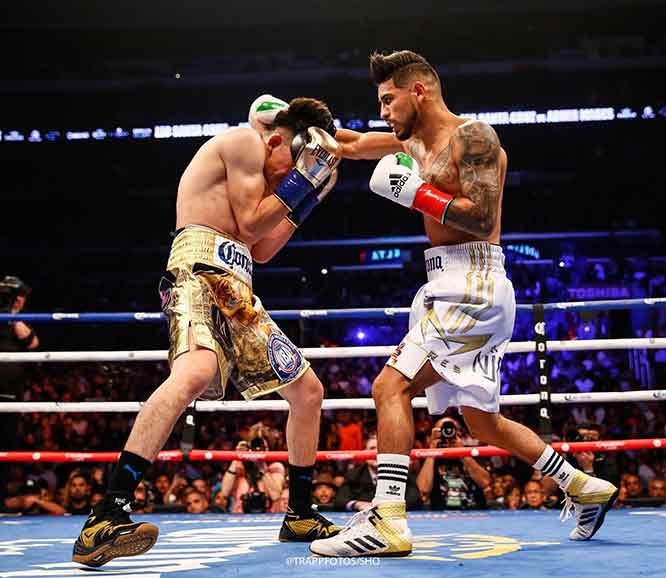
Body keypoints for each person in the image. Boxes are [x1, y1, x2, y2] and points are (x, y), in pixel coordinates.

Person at [311, 49, 617, 557]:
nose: (384, 111)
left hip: (473, 282)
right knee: (480, 420)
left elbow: (480, 218)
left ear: (418, 91)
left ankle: (388, 520)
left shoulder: (473, 138)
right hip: (449, 284)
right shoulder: (414, 139)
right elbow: (354, 144)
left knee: (389, 387)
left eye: (388, 100)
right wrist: (299, 127)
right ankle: (583, 486)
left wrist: (417, 193)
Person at [73, 96, 342, 567]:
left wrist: (308, 196)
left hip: (237, 284)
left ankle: (300, 512)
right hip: (197, 270)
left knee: (308, 391)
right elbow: (251, 221)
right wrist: (303, 180)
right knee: (193, 373)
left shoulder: (268, 173)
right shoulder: (243, 143)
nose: (285, 176)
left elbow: (261, 248)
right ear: (279, 139)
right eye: (290, 164)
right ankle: (107, 514)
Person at [0, 276, 38, 504]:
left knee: (6, 447)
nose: (22, 300)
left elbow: (32, 342)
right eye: (19, 296)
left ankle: (0, 498)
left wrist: (11, 315)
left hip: (10, 396)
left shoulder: (17, 321)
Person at [415, 417, 489, 510]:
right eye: (443, 430)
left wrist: (462, 452)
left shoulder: (471, 453)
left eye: (452, 429)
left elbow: (485, 482)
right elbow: (423, 490)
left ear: (459, 433)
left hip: (474, 513)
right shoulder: (429, 459)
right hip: (442, 516)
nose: (448, 432)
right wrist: (432, 449)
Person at [334, 435, 421, 512]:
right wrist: (357, 504)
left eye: (381, 449)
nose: (376, 453)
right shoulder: (354, 474)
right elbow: (339, 501)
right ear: (364, 453)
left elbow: (415, 500)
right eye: (372, 448)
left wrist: (386, 507)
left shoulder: (400, 471)